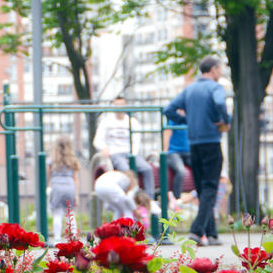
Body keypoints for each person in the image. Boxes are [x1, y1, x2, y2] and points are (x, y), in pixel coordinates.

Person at [164, 55, 231, 247]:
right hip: (211, 142)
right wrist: (225, 120)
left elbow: (169, 109)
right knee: (210, 186)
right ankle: (196, 230)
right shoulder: (216, 88)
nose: (220, 72)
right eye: (220, 69)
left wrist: (187, 121)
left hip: (194, 145)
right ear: (214, 69)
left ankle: (212, 234)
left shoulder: (189, 89)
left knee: (202, 188)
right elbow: (220, 103)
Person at [94, 96, 155, 194]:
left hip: (131, 153)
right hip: (115, 153)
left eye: (121, 105)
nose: (119, 108)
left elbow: (136, 141)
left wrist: (132, 155)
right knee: (125, 169)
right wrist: (104, 148)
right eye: (116, 105)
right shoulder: (106, 121)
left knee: (147, 169)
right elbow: (97, 140)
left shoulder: (132, 122)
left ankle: (149, 198)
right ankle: (132, 196)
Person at [48, 136, 81, 242]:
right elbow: (76, 179)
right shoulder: (73, 160)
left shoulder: (52, 160)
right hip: (70, 186)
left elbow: (48, 176)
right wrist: (76, 195)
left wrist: (48, 187)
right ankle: (74, 235)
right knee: (70, 213)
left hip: (56, 186)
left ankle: (57, 238)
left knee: (57, 213)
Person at [163, 117, 191, 212]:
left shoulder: (190, 117)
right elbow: (167, 134)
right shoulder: (173, 119)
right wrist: (165, 152)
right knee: (180, 170)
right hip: (174, 152)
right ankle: (176, 199)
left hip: (188, 152)